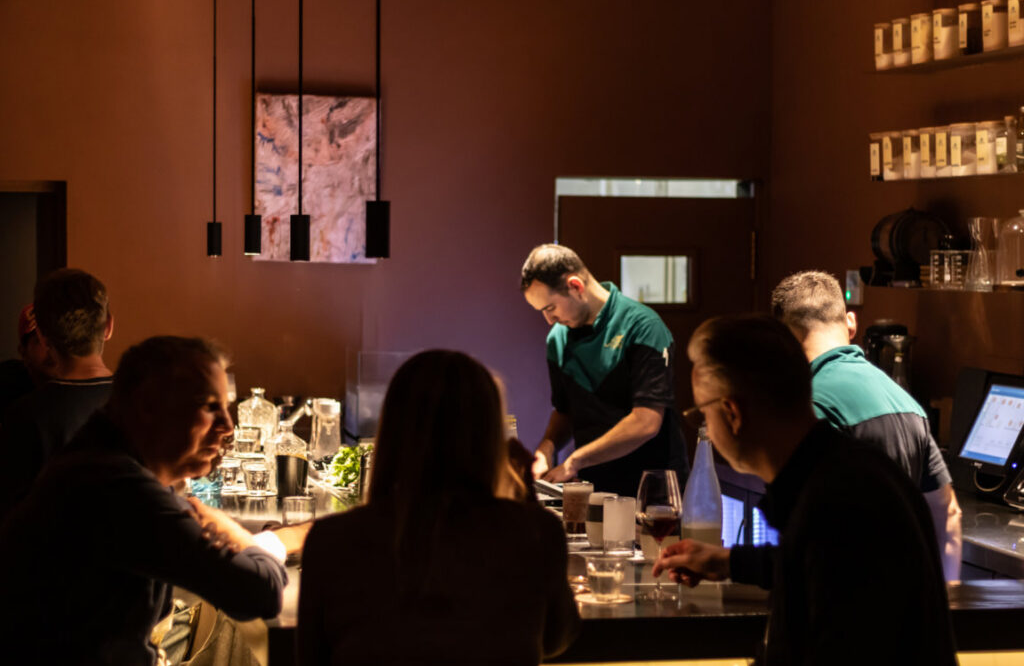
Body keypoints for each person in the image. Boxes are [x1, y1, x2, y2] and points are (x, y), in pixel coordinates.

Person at [654, 316, 956, 664]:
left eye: (701, 413)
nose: (704, 425)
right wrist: (729, 563)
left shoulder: (834, 502)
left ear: (732, 413)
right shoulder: (845, 471)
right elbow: (819, 568)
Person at [0, 336, 307, 665]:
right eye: (209, 407)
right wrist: (238, 535)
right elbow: (260, 594)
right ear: (148, 406)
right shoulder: (116, 489)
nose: (228, 426)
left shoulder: (98, 461)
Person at [298, 350, 580, 665]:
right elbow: (557, 639)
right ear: (489, 437)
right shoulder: (535, 533)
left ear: (392, 431)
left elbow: (310, 657)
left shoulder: (331, 540)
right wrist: (526, 494)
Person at [771, 270, 962, 580]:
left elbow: (811, 535)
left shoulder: (808, 408)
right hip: (903, 606)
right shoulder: (908, 404)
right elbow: (948, 513)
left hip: (842, 608)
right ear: (851, 322)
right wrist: (948, 598)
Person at [520, 244, 688, 496]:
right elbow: (565, 410)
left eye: (550, 308)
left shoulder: (642, 326)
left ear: (575, 286)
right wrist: (547, 447)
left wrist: (574, 461)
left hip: (653, 490)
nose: (549, 320)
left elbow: (646, 422)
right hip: (595, 488)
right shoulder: (557, 339)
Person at [0, 269, 116, 515]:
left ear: (42, 336)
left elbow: (14, 521)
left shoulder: (26, 416)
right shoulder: (145, 402)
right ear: (108, 326)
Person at [0, 304, 51, 418]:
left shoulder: (78, 390)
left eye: (57, 338)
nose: (51, 348)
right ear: (23, 352)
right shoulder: (7, 382)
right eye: (39, 340)